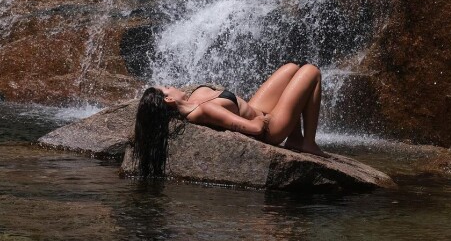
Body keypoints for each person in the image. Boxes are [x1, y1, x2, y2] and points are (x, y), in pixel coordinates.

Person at [133, 62, 326, 178]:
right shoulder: (203, 110)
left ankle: (296, 136)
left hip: (257, 109)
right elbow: (255, 128)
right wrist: (267, 117)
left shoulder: (193, 102)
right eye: (168, 87)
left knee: (292, 68)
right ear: (169, 99)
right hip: (271, 128)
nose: (172, 85)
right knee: (311, 71)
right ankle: (306, 142)